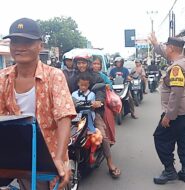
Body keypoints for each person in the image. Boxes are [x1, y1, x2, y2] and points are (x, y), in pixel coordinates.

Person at [0, 18, 76, 190]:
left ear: (40, 45)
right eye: (15, 41)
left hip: (49, 155)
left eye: (27, 41)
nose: (20, 46)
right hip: (17, 155)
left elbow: (64, 116)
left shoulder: (54, 76)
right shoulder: (3, 78)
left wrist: (60, 157)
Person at [149, 33, 185, 185]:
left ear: (172, 48)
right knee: (184, 138)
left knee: (160, 137)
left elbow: (176, 94)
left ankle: (169, 171)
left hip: (177, 112)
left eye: (166, 46)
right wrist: (155, 44)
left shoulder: (176, 68)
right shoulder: (181, 60)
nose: (165, 48)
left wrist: (168, 116)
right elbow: (163, 51)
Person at [73, 54, 121, 178]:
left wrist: (98, 101)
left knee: (102, 135)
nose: (81, 65)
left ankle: (110, 163)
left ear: (88, 63)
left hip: (92, 112)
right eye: (79, 63)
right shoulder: (72, 77)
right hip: (75, 112)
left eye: (83, 62)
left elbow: (101, 91)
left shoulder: (96, 76)